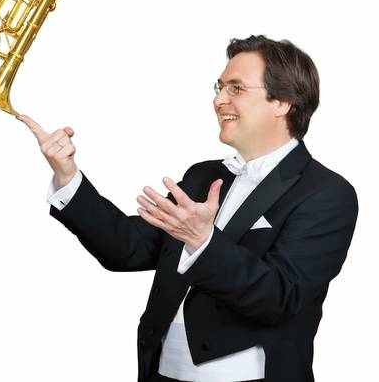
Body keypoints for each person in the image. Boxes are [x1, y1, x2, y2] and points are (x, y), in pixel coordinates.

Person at [18, 35, 358, 382]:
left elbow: (280, 298)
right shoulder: (202, 176)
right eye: (220, 87)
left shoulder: (327, 193)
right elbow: (127, 248)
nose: (219, 99)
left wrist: (203, 241)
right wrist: (67, 175)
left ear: (282, 102)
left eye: (237, 88)